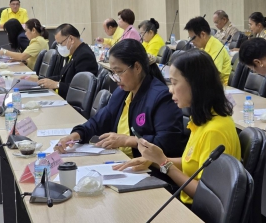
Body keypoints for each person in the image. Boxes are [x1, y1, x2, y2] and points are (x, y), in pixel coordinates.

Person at [114, 49, 241, 206]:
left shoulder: (214, 130)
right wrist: (152, 160)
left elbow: (207, 194)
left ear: (195, 85)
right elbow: (193, 162)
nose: (170, 89)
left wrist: (164, 164)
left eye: (174, 83)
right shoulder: (202, 120)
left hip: (198, 213)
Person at [55, 39, 186, 159]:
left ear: (137, 67)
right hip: (121, 159)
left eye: (119, 72)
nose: (116, 79)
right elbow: (98, 121)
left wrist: (129, 140)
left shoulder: (161, 97)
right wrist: (76, 135)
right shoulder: (122, 92)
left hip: (150, 169)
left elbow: (167, 143)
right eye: (113, 73)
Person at [37, 24, 98, 99]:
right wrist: (43, 80)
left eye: (60, 43)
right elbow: (63, 77)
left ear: (71, 39)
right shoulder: (75, 52)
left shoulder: (85, 56)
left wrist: (57, 85)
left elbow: (81, 88)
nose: (59, 47)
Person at [184, 16, 231, 85]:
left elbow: (211, 74)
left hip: (219, 87)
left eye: (193, 38)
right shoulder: (202, 46)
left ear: (203, 34)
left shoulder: (216, 47)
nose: (192, 41)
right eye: (190, 38)